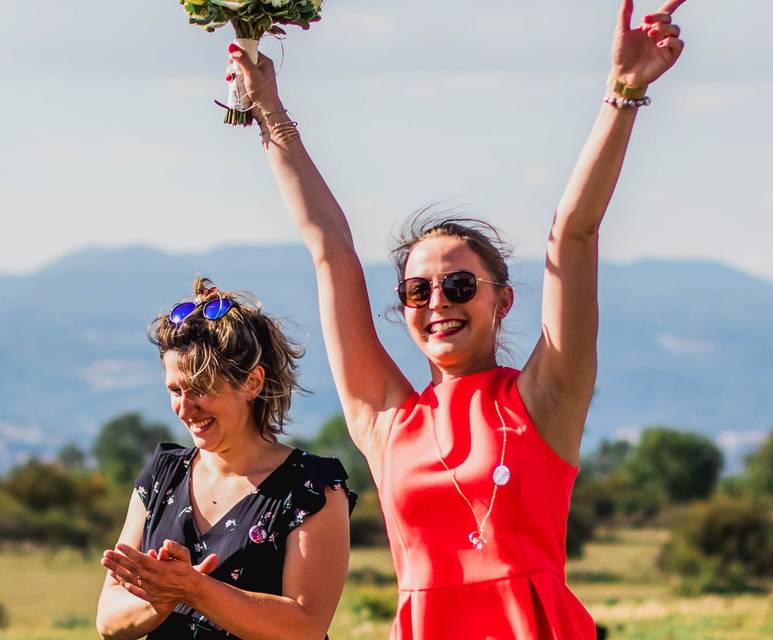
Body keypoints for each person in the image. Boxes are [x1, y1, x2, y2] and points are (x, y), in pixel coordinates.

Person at [227, 0, 689, 637]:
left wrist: (623, 93)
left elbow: (572, 237)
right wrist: (268, 110)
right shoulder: (386, 420)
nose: (437, 301)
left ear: (502, 299)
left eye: (459, 284)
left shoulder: (546, 399)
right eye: (417, 291)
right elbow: (330, 247)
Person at [96, 278, 356, 640]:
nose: (185, 408)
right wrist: (161, 599)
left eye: (201, 389)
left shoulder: (311, 488)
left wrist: (194, 589)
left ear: (252, 382)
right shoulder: (162, 475)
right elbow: (108, 621)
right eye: (175, 390)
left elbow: (305, 626)